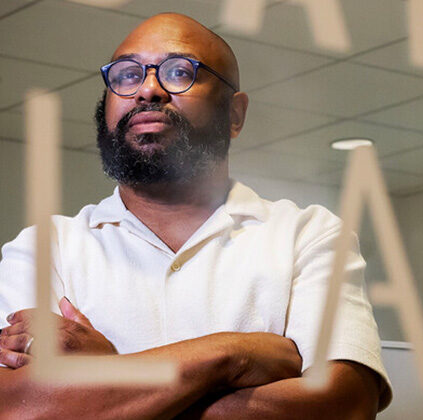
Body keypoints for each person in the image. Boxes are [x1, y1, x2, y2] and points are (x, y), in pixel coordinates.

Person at [0, 12, 392, 419]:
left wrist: (108, 378)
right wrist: (231, 354)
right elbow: (17, 407)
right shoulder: (46, 247)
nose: (148, 89)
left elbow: (347, 402)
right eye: (127, 75)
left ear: (235, 115)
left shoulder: (306, 235)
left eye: (179, 71)